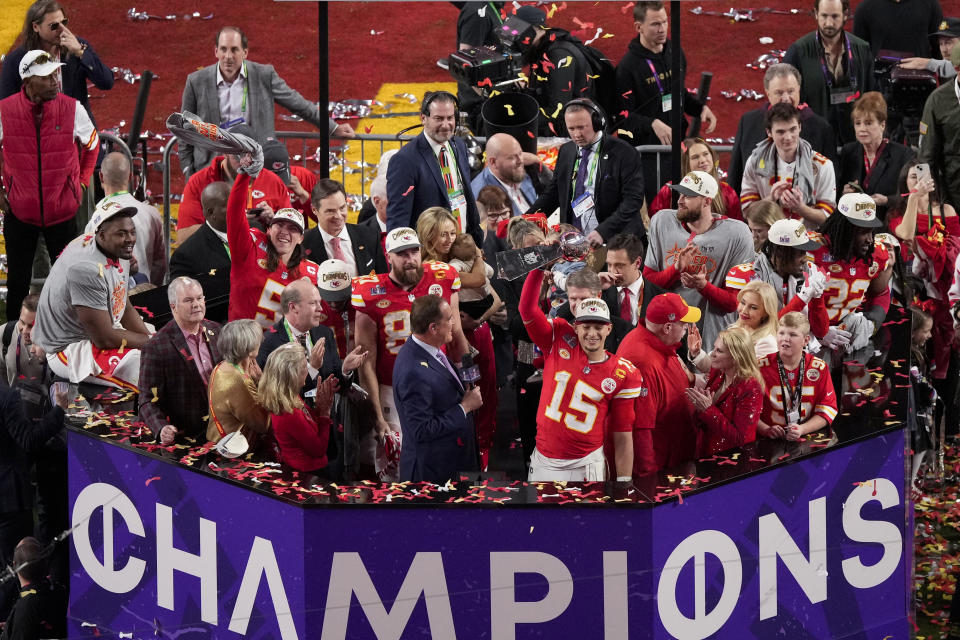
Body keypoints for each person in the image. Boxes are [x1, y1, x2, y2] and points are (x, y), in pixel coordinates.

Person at [519, 266, 647, 480]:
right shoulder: (558, 335)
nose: (592, 333)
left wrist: (624, 481)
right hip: (544, 460)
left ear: (609, 328)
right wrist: (538, 269)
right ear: (576, 326)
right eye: (586, 326)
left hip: (586, 465)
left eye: (598, 327)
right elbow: (527, 311)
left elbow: (623, 434)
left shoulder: (623, 373)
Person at [352, 228, 468, 461]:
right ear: (389, 257)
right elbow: (366, 361)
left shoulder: (443, 277)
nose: (410, 259)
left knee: (442, 455)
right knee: (397, 463)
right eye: (402, 254)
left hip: (439, 382)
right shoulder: (370, 292)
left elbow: (456, 334)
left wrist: (468, 380)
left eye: (414, 252)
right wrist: (377, 415)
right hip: (393, 390)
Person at [0, 49, 99, 317]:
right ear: (28, 82)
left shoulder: (72, 108)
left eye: (56, 73)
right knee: (18, 282)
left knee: (68, 282)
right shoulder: (4, 111)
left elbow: (92, 143)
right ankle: (13, 340)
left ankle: (69, 340)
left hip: (63, 212)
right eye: (46, 76)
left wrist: (81, 182)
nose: (56, 80)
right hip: (20, 213)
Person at [179, 26, 353, 177]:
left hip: (255, 165)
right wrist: (188, 169)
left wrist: (332, 127)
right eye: (223, 49)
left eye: (234, 50)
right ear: (215, 51)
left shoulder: (264, 75)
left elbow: (298, 104)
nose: (228, 56)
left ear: (245, 52)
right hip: (213, 167)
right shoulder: (196, 81)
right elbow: (184, 128)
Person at [33, 204, 150, 389]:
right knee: (145, 369)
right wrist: (150, 343)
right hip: (69, 347)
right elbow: (103, 338)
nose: (130, 239)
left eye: (132, 232)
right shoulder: (86, 268)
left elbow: (123, 305)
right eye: (121, 233)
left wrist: (150, 339)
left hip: (100, 329)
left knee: (162, 348)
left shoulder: (113, 249)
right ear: (101, 235)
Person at [417, 207, 500, 468]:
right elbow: (477, 279)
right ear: (427, 235)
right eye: (442, 234)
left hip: (477, 335)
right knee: (457, 397)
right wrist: (476, 254)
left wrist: (479, 319)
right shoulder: (424, 268)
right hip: (446, 344)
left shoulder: (457, 259)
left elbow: (496, 299)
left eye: (452, 233)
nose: (448, 240)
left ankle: (482, 453)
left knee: (484, 392)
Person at [615, 1, 717, 207]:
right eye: (655, 24)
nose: (662, 29)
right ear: (639, 27)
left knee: (686, 203)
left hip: (676, 148)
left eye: (664, 22)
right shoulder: (627, 68)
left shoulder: (675, 52)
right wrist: (652, 123)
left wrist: (699, 108)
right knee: (659, 207)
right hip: (649, 155)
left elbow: (678, 93)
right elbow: (622, 117)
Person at [643, 170, 754, 347]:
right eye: (680, 194)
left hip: (713, 335)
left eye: (688, 196)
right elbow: (647, 283)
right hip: (666, 330)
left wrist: (703, 287)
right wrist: (676, 269)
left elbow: (736, 302)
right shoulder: (662, 221)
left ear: (707, 201)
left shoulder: (737, 234)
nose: (679, 200)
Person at [527, 99, 645, 247]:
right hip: (576, 242)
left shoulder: (624, 152)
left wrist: (603, 231)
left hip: (618, 243)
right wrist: (526, 220)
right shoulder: (566, 151)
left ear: (597, 123)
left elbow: (633, 200)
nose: (577, 134)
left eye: (582, 127)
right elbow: (553, 193)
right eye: (571, 128)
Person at [394, 295, 480, 483]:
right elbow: (422, 430)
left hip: (450, 463)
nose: (454, 323)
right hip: (431, 475)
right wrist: (464, 407)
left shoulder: (429, 349)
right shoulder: (412, 371)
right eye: (449, 319)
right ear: (433, 328)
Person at [0, 385, 67, 623]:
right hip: (10, 500)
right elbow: (28, 440)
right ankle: (13, 623)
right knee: (16, 569)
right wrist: (59, 410)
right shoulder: (7, 397)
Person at [224, 163, 320, 327]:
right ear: (268, 229)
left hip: (282, 350)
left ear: (301, 239)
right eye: (279, 225)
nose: (284, 232)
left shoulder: (311, 273)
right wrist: (244, 173)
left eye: (292, 229)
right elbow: (234, 214)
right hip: (241, 344)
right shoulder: (250, 247)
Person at [889, 161, 959, 381]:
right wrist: (913, 199)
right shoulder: (896, 213)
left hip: (945, 288)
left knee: (947, 346)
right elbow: (906, 234)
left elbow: (957, 249)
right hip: (913, 289)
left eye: (922, 175)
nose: (918, 180)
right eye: (912, 176)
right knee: (917, 344)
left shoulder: (946, 210)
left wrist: (931, 251)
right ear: (904, 181)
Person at [386, 91, 482, 244]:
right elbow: (398, 219)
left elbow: (465, 196)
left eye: (450, 118)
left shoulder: (459, 145)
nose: (446, 125)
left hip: (463, 245)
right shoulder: (405, 160)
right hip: (431, 254)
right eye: (438, 118)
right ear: (423, 118)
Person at [617, 293, 700, 472]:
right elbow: (640, 430)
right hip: (664, 468)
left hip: (677, 455)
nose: (687, 327)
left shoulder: (659, 341)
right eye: (684, 322)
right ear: (668, 327)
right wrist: (649, 478)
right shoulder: (642, 362)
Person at [727, 63, 836, 193]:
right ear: (768, 93)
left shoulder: (821, 128)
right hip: (756, 209)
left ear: (799, 90)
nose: (785, 98)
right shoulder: (749, 122)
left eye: (791, 91)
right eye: (779, 92)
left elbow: (831, 183)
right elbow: (736, 173)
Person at [0, 0, 113, 124]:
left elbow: (107, 83)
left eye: (64, 22)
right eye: (54, 26)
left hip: (78, 130)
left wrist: (81, 53)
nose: (62, 29)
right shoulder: (16, 61)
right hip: (39, 133)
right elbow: (6, 107)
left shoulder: (78, 47)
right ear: (36, 27)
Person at [139, 277, 222, 445]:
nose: (197, 304)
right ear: (173, 307)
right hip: (187, 439)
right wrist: (161, 428)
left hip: (224, 430)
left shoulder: (217, 330)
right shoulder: (155, 347)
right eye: (188, 300)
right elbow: (146, 401)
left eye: (199, 298)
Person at [176, 123, 292, 243]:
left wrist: (273, 220)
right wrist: (228, 222)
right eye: (238, 156)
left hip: (260, 257)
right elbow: (183, 236)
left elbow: (293, 234)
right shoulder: (199, 182)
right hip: (216, 257)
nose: (245, 162)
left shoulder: (273, 181)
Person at [782, 0, 876, 146]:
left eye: (835, 16)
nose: (829, 23)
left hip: (855, 142)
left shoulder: (862, 49)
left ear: (845, 15)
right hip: (812, 141)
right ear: (815, 14)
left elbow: (872, 94)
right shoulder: (798, 51)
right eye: (824, 16)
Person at [720, 218, 830, 338]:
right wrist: (802, 297)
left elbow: (821, 332)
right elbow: (763, 330)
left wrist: (817, 298)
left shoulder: (809, 271)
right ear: (780, 252)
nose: (805, 259)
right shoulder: (747, 276)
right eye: (800, 253)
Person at [813, 193, 892, 353]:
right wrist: (813, 330)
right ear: (844, 229)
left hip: (845, 334)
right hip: (805, 336)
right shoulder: (811, 250)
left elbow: (880, 292)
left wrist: (872, 322)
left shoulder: (875, 254)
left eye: (871, 231)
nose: (870, 239)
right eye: (863, 232)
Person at [256, 278, 365, 395]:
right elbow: (273, 395)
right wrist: (312, 368)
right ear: (293, 307)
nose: (320, 308)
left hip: (326, 412)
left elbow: (338, 386)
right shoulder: (267, 343)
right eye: (313, 303)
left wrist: (345, 370)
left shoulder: (325, 334)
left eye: (319, 302)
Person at [741, 103, 837, 228]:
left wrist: (800, 207)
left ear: (800, 127)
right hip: (768, 238)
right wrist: (771, 198)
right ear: (769, 132)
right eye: (780, 132)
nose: (788, 137)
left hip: (808, 239)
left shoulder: (823, 165)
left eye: (793, 129)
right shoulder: (754, 162)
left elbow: (827, 218)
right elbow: (747, 212)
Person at [509, 5, 600, 136]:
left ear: (537, 29)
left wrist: (518, 124)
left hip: (576, 131)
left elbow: (558, 111)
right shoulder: (541, 48)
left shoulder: (559, 56)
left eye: (518, 30)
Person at [757, 312, 838, 441]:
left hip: (808, 440)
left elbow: (828, 409)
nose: (785, 339)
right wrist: (765, 429)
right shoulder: (759, 367)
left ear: (806, 340)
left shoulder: (819, 368)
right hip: (766, 441)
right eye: (781, 333)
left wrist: (802, 429)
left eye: (792, 334)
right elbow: (744, 409)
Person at [260, 343, 338, 476]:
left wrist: (318, 407)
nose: (308, 369)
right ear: (294, 375)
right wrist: (325, 413)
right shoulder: (289, 412)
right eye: (304, 366)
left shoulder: (288, 397)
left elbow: (308, 427)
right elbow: (318, 450)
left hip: (307, 469)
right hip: (308, 475)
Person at [685, 327, 764, 456]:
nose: (712, 354)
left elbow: (742, 440)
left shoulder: (751, 388)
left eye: (719, 351)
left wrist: (708, 410)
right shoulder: (719, 372)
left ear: (736, 357)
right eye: (714, 348)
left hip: (729, 464)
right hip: (705, 454)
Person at [90, 152, 166, 285]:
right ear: (131, 177)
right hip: (145, 292)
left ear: (101, 177)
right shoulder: (152, 213)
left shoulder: (95, 217)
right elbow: (160, 263)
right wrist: (149, 287)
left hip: (109, 296)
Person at [837, 92, 916, 221]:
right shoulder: (848, 151)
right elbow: (837, 193)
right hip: (855, 223)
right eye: (858, 123)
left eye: (868, 123)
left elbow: (912, 195)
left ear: (882, 125)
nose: (862, 129)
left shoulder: (903, 154)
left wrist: (887, 200)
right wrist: (844, 193)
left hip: (888, 222)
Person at [169, 181, 232, 322]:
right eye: (230, 204)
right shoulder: (186, 255)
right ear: (210, 212)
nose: (239, 207)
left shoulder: (256, 231)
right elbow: (183, 306)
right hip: (219, 330)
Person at [689, 281, 781, 373]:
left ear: (766, 312)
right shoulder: (733, 329)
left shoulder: (767, 343)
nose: (744, 310)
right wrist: (697, 353)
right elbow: (712, 367)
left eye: (753, 307)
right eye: (743, 303)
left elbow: (748, 380)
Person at [302, 178, 386, 277]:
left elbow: (383, 280)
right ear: (314, 210)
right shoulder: (302, 244)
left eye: (342, 208)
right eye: (330, 211)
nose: (338, 216)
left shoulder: (369, 235)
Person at [206, 318, 268, 444]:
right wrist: (263, 384)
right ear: (249, 348)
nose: (260, 342)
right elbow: (263, 424)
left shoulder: (221, 366)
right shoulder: (238, 380)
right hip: (235, 453)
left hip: (218, 441)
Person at [649, 138, 742, 221]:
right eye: (695, 157)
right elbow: (657, 219)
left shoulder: (726, 190)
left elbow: (736, 223)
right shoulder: (670, 189)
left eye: (705, 154)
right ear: (685, 162)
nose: (702, 160)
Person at [0, 537, 67, 639]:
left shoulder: (26, 606)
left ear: (15, 566)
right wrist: (13, 626)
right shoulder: (56, 590)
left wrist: (19, 624)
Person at [919, 46, 960, 210]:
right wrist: (927, 198)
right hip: (953, 190)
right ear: (957, 68)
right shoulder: (938, 100)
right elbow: (925, 155)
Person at [455, 1, 506, 132]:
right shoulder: (477, 13)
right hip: (481, 105)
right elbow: (466, 63)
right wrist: (485, 94)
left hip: (491, 100)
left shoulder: (490, 6)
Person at [600, 233, 663, 327]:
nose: (612, 271)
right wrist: (592, 288)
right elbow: (571, 317)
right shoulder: (599, 292)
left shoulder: (660, 297)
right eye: (609, 265)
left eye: (619, 265)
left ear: (637, 263)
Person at [470, 133, 539, 216]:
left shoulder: (516, 174)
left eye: (520, 154)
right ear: (493, 162)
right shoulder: (481, 197)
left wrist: (538, 162)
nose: (520, 161)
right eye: (512, 157)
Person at [853, 0, 943, 58]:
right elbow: (859, 53)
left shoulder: (931, 4)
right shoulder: (865, 8)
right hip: (879, 80)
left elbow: (938, 48)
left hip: (922, 78)